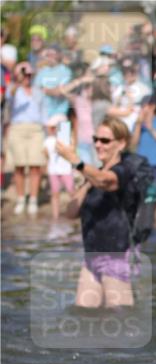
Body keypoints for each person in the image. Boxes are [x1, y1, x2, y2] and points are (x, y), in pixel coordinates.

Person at [54, 118, 137, 308]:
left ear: (121, 143)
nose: (98, 145)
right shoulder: (93, 175)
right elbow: (70, 212)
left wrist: (76, 161)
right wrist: (86, 182)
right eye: (96, 139)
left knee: (121, 320)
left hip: (116, 257)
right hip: (91, 257)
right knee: (83, 316)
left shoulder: (126, 170)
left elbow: (106, 181)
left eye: (105, 141)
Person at [5, 62, 45, 216]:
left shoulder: (37, 91)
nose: (27, 78)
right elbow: (9, 95)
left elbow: (43, 111)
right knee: (19, 166)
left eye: (29, 75)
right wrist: (18, 79)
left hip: (36, 129)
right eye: (25, 74)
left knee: (36, 165)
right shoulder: (14, 89)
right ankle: (21, 199)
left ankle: (33, 199)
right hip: (18, 128)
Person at [43, 115, 73, 222]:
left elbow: (71, 152)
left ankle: (74, 213)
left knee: (71, 191)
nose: (51, 130)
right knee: (55, 193)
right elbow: (46, 154)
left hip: (66, 170)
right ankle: (55, 216)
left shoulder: (67, 139)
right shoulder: (48, 140)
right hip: (54, 170)